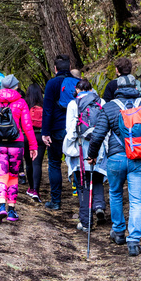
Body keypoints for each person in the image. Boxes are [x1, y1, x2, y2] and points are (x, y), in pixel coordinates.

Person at [87, 76, 141, 256]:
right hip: (139, 158)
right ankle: (133, 241)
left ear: (117, 88)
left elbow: (97, 136)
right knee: (136, 201)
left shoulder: (109, 107)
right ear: (135, 87)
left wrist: (91, 156)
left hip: (116, 159)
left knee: (116, 193)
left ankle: (118, 232)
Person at [0, 74, 38, 224]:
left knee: (1, 175)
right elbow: (27, 126)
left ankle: (1, 206)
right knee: (13, 175)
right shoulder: (21, 102)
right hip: (16, 144)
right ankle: (12, 210)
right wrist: (33, 146)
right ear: (15, 87)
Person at [64, 79, 107, 233]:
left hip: (80, 149)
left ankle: (86, 221)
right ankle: (99, 205)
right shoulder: (101, 101)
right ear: (91, 89)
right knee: (96, 179)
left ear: (77, 90)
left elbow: (70, 130)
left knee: (82, 184)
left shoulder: (73, 104)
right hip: (99, 148)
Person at [41, 55, 78, 211]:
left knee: (54, 163)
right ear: (70, 67)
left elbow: (47, 109)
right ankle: (83, 200)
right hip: (75, 130)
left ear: (55, 68)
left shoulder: (52, 83)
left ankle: (56, 201)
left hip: (56, 129)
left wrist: (45, 132)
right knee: (76, 164)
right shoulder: (78, 83)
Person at [23, 83, 46, 203]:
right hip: (40, 136)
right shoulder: (44, 105)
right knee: (37, 163)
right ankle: (36, 190)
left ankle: (31, 188)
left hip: (27, 136)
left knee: (28, 162)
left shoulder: (25, 105)